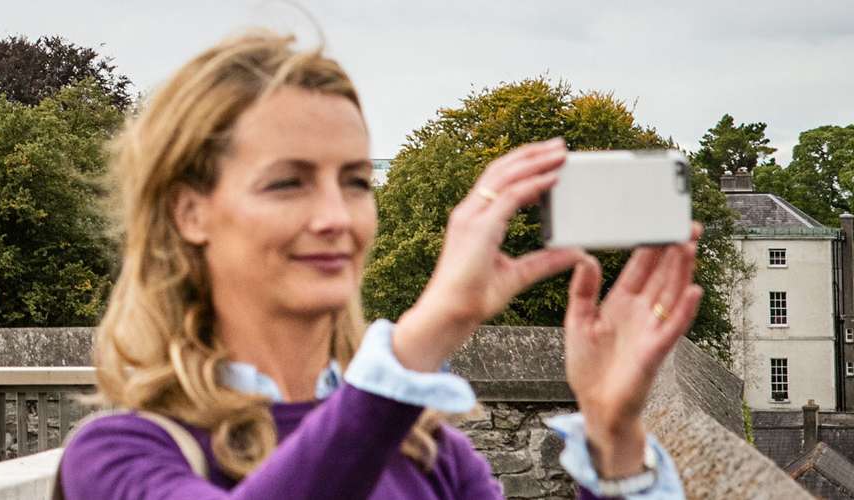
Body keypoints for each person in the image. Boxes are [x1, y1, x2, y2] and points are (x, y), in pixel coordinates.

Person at [58, 30, 691, 499]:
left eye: (356, 182)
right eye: (288, 183)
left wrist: (614, 439)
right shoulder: (119, 457)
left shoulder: (429, 452)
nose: (338, 216)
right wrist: (426, 335)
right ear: (190, 213)